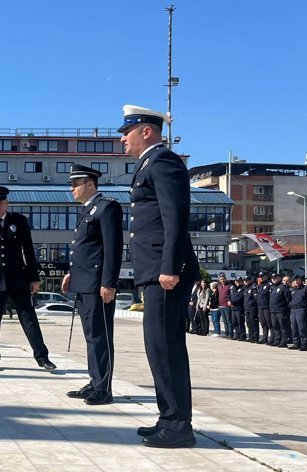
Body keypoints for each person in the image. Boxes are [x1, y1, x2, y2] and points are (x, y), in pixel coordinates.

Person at [118, 104, 198, 448]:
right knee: (158, 347)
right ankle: (169, 417)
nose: (122, 138)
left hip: (165, 272)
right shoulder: (148, 164)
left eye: (127, 132)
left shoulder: (163, 162)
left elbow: (175, 216)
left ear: (146, 131)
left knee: (166, 348)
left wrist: (169, 267)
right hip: (154, 270)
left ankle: (178, 426)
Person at [0, 185, 56, 372]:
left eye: (1, 203)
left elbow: (29, 250)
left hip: (18, 278)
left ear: (7, 203)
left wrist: (34, 277)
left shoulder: (19, 221)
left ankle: (42, 358)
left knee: (29, 319)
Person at [61, 164, 122, 406]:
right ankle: (95, 381)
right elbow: (85, 249)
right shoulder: (86, 210)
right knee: (90, 336)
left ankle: (104, 388)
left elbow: (113, 248)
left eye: (76, 184)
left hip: (98, 284)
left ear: (90, 184)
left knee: (101, 336)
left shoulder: (107, 208)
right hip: (83, 282)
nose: (72, 188)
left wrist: (109, 282)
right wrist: (70, 273)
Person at [287, 275, 307, 351]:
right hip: (293, 310)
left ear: (301, 280)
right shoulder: (293, 289)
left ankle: (304, 344)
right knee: (294, 327)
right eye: (295, 280)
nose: (296, 281)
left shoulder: (305, 288)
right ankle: (296, 343)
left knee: (302, 327)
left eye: (298, 280)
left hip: (301, 309)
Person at [268, 273, 291, 347]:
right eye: (272, 278)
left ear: (279, 278)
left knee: (282, 326)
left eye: (275, 277)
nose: (273, 279)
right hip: (273, 310)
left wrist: (285, 309)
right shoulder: (271, 287)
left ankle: (284, 341)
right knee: (275, 326)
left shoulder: (283, 287)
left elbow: (288, 299)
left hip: (281, 310)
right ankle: (277, 340)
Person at [242, 277, 259, 343]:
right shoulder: (245, 288)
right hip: (247, 309)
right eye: (244, 281)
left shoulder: (253, 287)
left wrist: (252, 304)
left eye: (247, 280)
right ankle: (251, 337)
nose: (245, 282)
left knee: (254, 323)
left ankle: (256, 338)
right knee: (249, 324)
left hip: (252, 309)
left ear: (250, 280)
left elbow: (256, 298)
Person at [256, 273, 272, 344]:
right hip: (260, 307)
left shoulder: (269, 285)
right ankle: (264, 338)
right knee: (263, 324)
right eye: (260, 277)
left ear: (266, 276)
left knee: (269, 323)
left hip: (267, 307)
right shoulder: (259, 285)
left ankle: (272, 338)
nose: (261, 278)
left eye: (262, 276)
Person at [216, 273, 232, 339]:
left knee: (229, 320)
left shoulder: (229, 286)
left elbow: (231, 295)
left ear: (225, 279)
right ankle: (226, 333)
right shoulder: (219, 287)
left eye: (223, 279)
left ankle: (230, 334)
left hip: (227, 305)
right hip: (221, 305)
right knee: (224, 321)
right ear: (219, 280)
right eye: (221, 279)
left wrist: (230, 301)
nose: (222, 280)